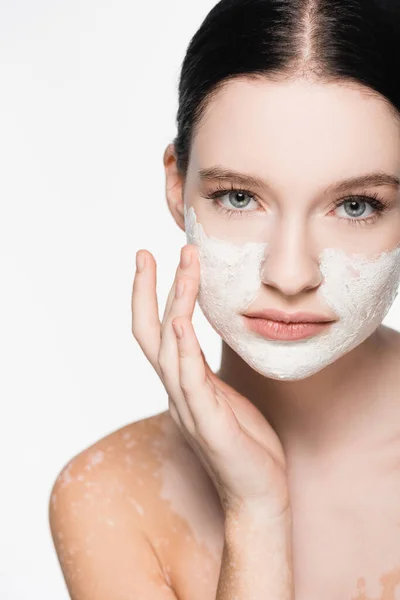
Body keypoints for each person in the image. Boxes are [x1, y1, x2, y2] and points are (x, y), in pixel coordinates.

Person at [49, 1, 400, 599]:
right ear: (175, 184)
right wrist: (257, 513)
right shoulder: (110, 494)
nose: (291, 275)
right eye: (239, 197)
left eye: (356, 205)